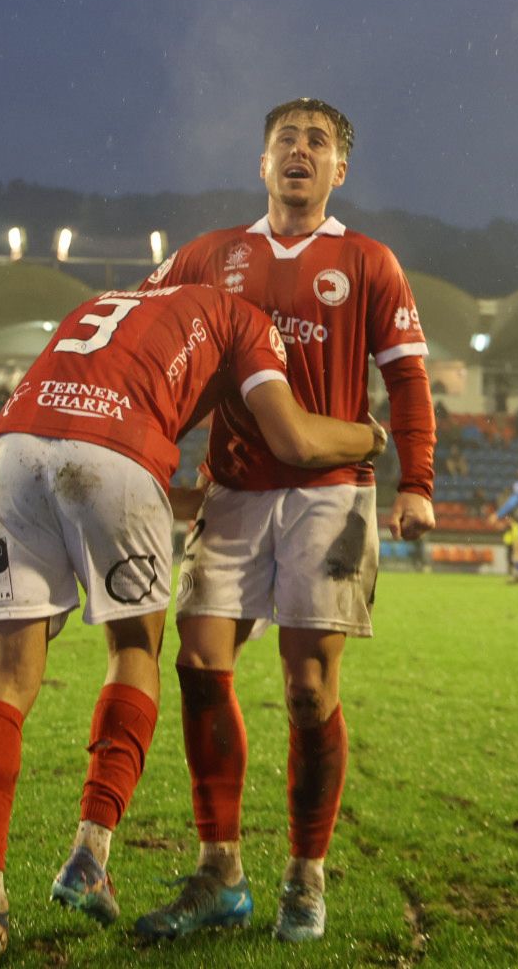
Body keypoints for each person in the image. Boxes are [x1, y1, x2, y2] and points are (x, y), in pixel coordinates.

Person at [0, 283, 387, 968]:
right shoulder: (247, 318)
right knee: (136, 648)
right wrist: (375, 434)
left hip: (12, 448)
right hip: (114, 451)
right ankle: (90, 854)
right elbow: (295, 437)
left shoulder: (122, 301)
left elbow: (96, 449)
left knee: (3, 677)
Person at [133, 97, 436, 945]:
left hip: (332, 493)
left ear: (341, 169)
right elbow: (153, 349)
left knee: (308, 690)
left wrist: (417, 482)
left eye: (318, 142)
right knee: (198, 658)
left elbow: (409, 381)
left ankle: (305, 874)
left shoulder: (369, 261)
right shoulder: (209, 256)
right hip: (232, 492)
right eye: (284, 142)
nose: (299, 151)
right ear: (261, 165)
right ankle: (219, 870)